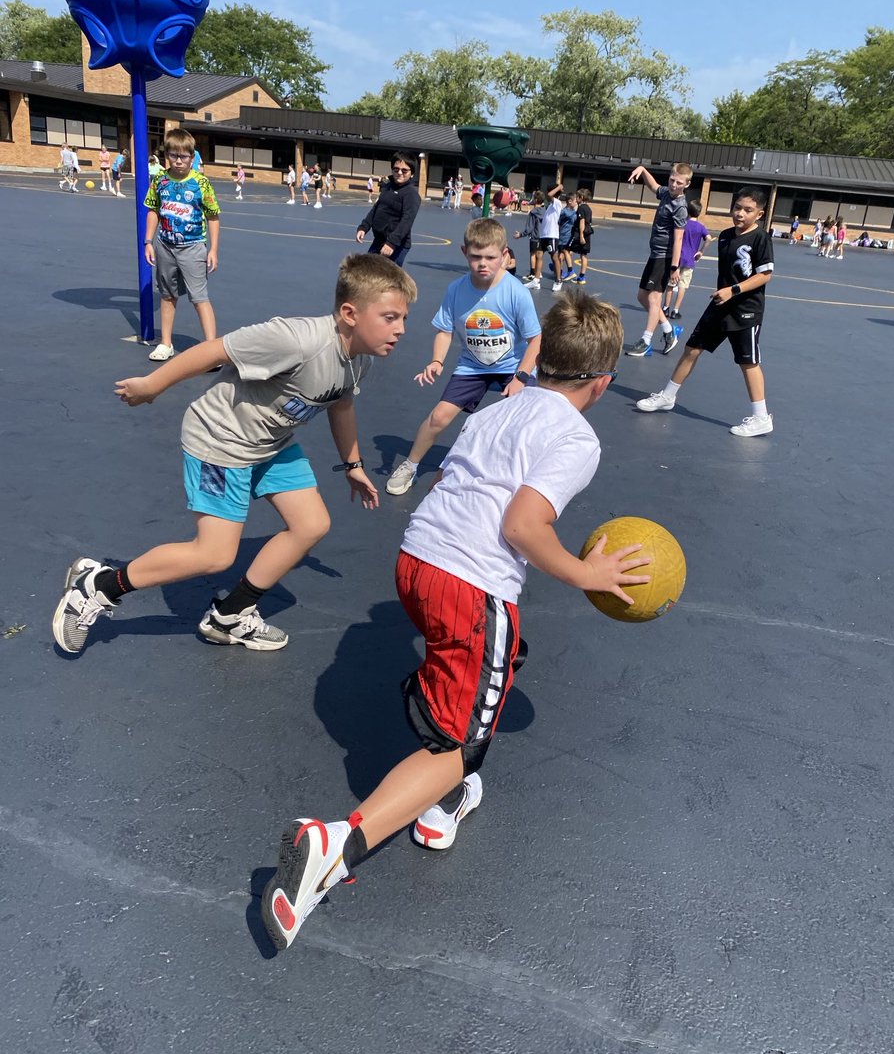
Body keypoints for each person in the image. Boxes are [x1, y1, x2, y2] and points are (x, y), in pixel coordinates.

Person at [260, 290, 651, 952]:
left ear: (543, 355)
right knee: (459, 744)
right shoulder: (576, 437)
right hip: (470, 584)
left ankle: (441, 807)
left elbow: (453, 484)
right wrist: (591, 575)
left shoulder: (499, 408)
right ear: (603, 383)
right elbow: (522, 526)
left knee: (487, 666)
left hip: (416, 560)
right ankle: (336, 845)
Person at [52, 255, 416, 658]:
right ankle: (98, 587)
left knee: (311, 524)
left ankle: (229, 616)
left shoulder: (357, 362)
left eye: (403, 318)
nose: (400, 329)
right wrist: (152, 386)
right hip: (220, 441)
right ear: (350, 313)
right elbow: (213, 351)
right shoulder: (295, 340)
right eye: (390, 317)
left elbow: (340, 404)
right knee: (214, 555)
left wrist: (353, 466)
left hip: (270, 443)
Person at [385, 217, 542, 496]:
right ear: (464, 252)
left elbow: (536, 340)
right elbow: (444, 331)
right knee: (439, 417)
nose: (483, 263)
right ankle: (410, 465)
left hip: (513, 366)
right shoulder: (456, 289)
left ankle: (528, 477)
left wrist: (521, 377)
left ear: (505, 255)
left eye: (491, 257)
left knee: (528, 422)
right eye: (476, 256)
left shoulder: (516, 293)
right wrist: (436, 361)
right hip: (473, 366)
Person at [635, 186, 775, 438]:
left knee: (748, 362)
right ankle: (668, 396)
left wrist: (733, 290)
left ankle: (761, 417)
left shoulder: (760, 239)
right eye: (738, 208)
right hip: (720, 304)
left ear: (760, 214)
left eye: (748, 210)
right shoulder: (725, 236)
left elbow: (765, 275)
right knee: (692, 349)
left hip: (745, 309)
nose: (740, 214)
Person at [143, 128, 221, 362]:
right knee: (167, 295)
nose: (178, 161)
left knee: (199, 297)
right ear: (166, 155)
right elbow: (153, 210)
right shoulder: (160, 181)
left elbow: (213, 216)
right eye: (173, 155)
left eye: (183, 156)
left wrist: (213, 249)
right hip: (165, 245)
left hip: (193, 246)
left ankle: (211, 351)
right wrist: (148, 241)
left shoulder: (201, 183)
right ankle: (165, 343)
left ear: (192, 156)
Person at [624, 162, 690, 356]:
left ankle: (646, 341)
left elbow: (678, 238)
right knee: (641, 296)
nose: (674, 185)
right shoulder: (666, 194)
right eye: (671, 180)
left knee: (654, 299)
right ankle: (669, 332)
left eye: (678, 182)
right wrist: (643, 170)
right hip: (655, 254)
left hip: (665, 257)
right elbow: (653, 186)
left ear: (686, 184)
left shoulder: (680, 207)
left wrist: (674, 267)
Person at [355, 151, 422, 267]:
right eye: (396, 169)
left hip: (396, 245)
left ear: (412, 174)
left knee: (387, 280)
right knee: (368, 273)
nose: (399, 173)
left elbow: (407, 220)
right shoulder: (387, 187)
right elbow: (376, 208)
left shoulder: (411, 194)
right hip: (379, 241)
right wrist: (364, 227)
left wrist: (392, 243)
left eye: (404, 170)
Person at [662, 200, 712, 320]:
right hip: (690, 259)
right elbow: (709, 238)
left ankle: (665, 308)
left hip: (677, 258)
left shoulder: (683, 223)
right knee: (682, 285)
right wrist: (701, 251)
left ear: (687, 211)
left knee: (671, 284)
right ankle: (676, 310)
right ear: (699, 212)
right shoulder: (701, 227)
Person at [514, 191, 544, 289]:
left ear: (535, 200)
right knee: (540, 256)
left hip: (535, 236)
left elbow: (530, 227)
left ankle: (532, 273)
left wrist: (521, 234)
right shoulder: (545, 210)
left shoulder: (533, 212)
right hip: (543, 236)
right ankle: (538, 273)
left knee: (533, 254)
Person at [569, 189, 594, 285]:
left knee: (567, 249)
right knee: (583, 255)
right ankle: (582, 276)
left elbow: (582, 223)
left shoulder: (581, 208)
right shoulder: (588, 208)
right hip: (588, 233)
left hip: (581, 234)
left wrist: (581, 236)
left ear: (582, 198)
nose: (576, 198)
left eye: (578, 197)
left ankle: (563, 269)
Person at [558, 193, 579, 281]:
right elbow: (558, 221)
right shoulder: (565, 212)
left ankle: (570, 271)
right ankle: (559, 271)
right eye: (575, 201)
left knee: (565, 251)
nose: (576, 202)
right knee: (561, 254)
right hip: (563, 235)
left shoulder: (573, 212)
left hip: (568, 236)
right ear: (569, 201)